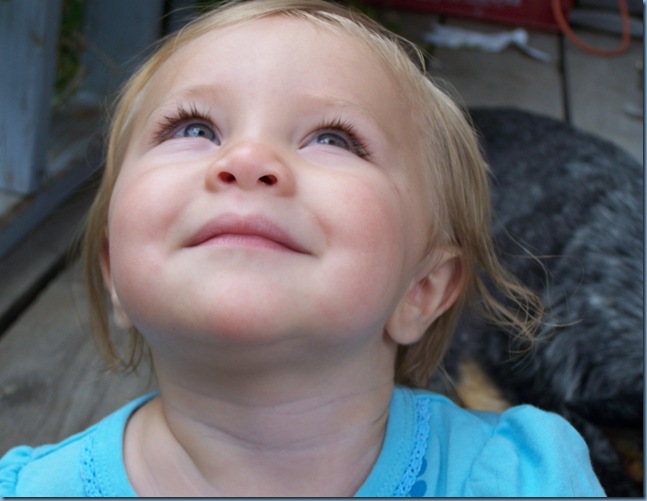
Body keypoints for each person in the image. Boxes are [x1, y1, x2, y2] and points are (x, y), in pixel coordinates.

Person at [0, 0, 605, 496]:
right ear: (114, 273)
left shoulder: (524, 481)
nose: (246, 159)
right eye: (194, 128)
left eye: (333, 138)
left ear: (421, 289)